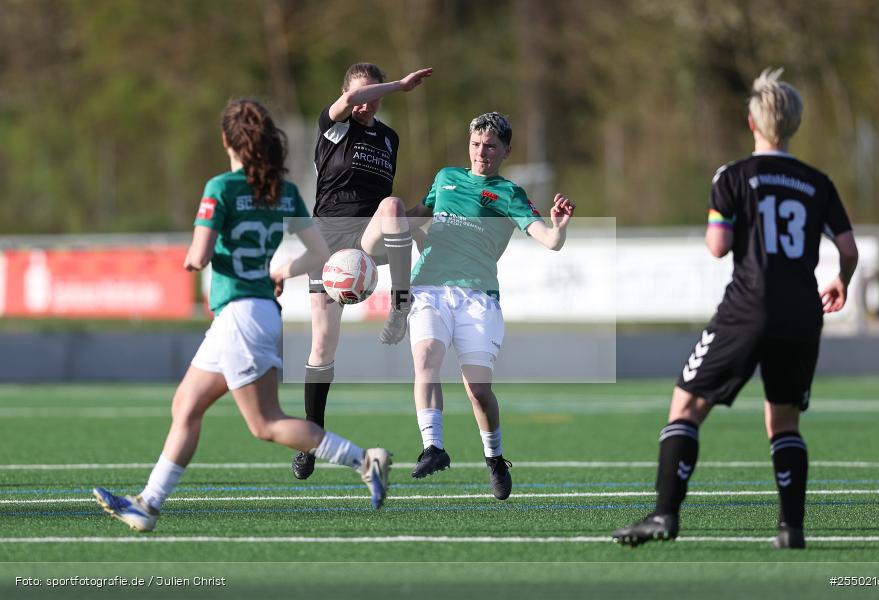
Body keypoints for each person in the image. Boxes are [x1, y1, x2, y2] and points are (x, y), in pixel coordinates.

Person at [93, 99, 392, 532]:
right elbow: (321, 254)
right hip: (256, 314)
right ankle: (148, 504)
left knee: (266, 423)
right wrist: (279, 269)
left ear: (226, 141)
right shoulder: (284, 191)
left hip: (239, 315)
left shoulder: (222, 188)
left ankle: (364, 461)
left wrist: (196, 256)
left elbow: (196, 257)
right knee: (187, 404)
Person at [612, 68, 858, 549]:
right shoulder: (817, 182)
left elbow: (718, 246)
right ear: (794, 125)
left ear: (751, 123)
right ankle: (790, 529)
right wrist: (841, 282)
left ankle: (664, 515)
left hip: (749, 306)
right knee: (784, 420)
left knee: (686, 404)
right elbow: (848, 250)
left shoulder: (733, 176)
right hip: (802, 311)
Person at [402, 112, 575, 499]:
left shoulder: (509, 193)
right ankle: (433, 447)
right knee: (426, 357)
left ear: (506, 151)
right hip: (430, 288)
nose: (482, 152)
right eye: (476, 144)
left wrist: (559, 226)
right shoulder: (446, 177)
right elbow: (417, 216)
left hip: (477, 298)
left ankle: (494, 458)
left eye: (491, 146)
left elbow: (549, 240)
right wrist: (389, 221)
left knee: (478, 389)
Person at [291, 63, 432, 481]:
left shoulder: (390, 138)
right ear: (346, 93)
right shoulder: (333, 126)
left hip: (368, 238)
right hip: (329, 242)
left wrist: (422, 221)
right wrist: (401, 85)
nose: (368, 101)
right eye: (361, 93)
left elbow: (392, 216)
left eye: (377, 94)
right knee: (322, 347)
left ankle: (400, 303)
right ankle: (310, 440)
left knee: (393, 206)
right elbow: (351, 102)